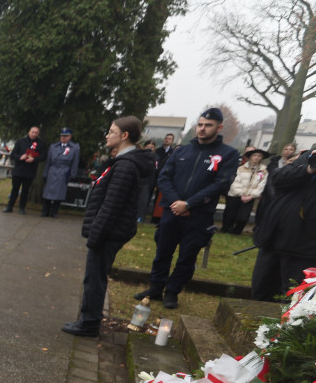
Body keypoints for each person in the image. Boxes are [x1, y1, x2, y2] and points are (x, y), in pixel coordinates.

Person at [134, 108, 239, 309]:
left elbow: (221, 184)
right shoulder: (181, 151)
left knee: (187, 256)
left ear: (219, 127)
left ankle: (172, 292)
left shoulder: (228, 154)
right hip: (172, 211)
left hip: (199, 215)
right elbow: (164, 177)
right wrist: (177, 203)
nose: (202, 129)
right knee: (163, 252)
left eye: (208, 125)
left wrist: (190, 204)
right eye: (200, 124)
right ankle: (156, 288)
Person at [63, 117, 153, 337]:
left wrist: (95, 235)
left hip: (108, 232)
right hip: (109, 230)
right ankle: (89, 319)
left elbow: (111, 205)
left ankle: (89, 323)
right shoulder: (122, 162)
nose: (107, 135)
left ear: (124, 136)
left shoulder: (125, 166)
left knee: (94, 277)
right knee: (95, 275)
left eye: (112, 131)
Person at [251, 147, 316, 302]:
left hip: (304, 248)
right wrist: (307, 169)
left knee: (292, 298)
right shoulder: (307, 157)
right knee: (261, 289)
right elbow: (277, 178)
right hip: (273, 239)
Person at [221, 148, 269, 234]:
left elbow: (261, 185)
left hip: (250, 197)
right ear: (250, 157)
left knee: (243, 217)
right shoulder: (240, 168)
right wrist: (241, 194)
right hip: (235, 194)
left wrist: (252, 196)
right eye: (254, 155)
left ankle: (237, 232)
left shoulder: (264, 171)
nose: (257, 158)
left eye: (259, 156)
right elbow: (235, 181)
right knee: (230, 214)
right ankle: (226, 230)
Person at [5, 126, 46, 214]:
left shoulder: (41, 144)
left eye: (36, 133)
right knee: (15, 189)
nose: (34, 134)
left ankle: (22, 208)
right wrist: (20, 157)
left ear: (38, 134)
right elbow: (13, 154)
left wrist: (34, 159)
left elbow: (43, 156)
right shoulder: (20, 141)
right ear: (29, 132)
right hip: (18, 170)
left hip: (30, 170)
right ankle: (10, 206)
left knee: (25, 191)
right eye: (33, 132)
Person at [42, 127, 80, 217]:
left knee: (59, 193)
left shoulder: (74, 148)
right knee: (48, 192)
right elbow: (48, 161)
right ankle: (45, 211)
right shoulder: (53, 146)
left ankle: (54, 212)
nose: (63, 138)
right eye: (62, 136)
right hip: (52, 170)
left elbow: (75, 162)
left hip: (64, 171)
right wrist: (45, 173)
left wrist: (72, 174)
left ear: (70, 136)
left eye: (66, 136)